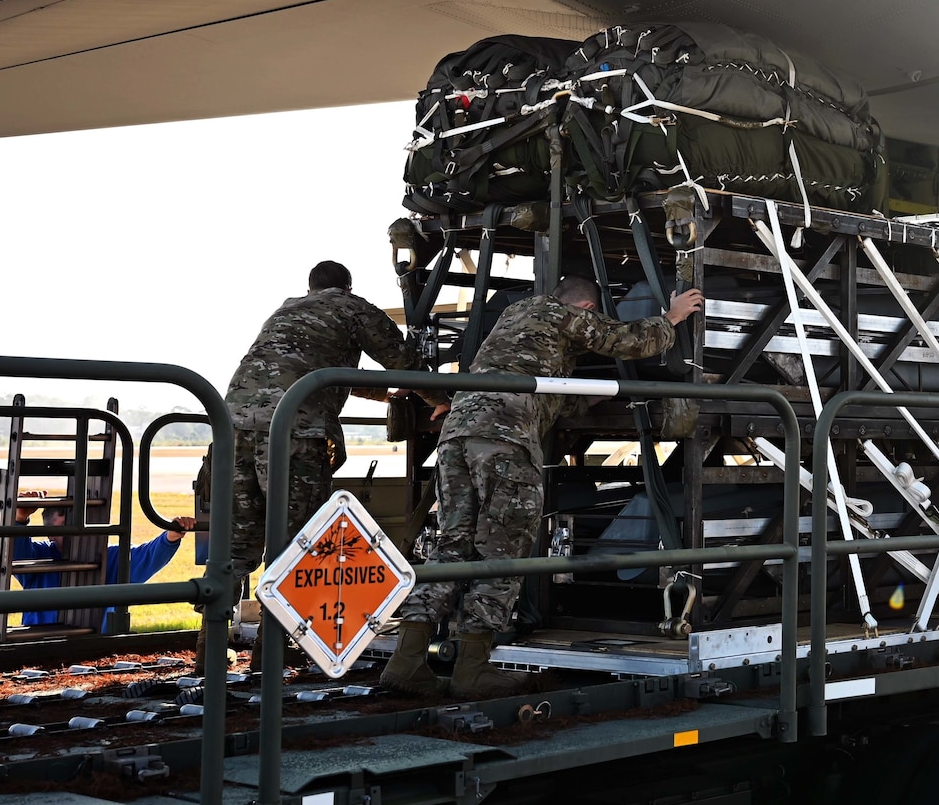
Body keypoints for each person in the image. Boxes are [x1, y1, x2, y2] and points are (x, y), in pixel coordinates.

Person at [382, 275, 704, 697]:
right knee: (502, 554)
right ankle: (472, 668)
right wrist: (671, 318)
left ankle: (405, 661)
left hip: (457, 436)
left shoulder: (514, 318)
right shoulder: (562, 314)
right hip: (504, 441)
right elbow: (624, 340)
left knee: (452, 547)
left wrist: (585, 399)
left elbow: (539, 391)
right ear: (585, 308)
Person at [223, 261, 426, 595]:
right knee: (298, 543)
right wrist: (437, 398)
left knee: (235, 543)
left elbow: (312, 366)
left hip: (232, 427)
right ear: (348, 288)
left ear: (309, 289)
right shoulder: (351, 307)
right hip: (295, 430)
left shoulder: (286, 310)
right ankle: (277, 645)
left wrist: (382, 394)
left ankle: (211, 639)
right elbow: (403, 360)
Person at [10, 508, 196, 627]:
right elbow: (15, 554)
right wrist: (20, 517)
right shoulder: (39, 556)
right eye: (65, 527)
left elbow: (146, 556)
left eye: (80, 526)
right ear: (50, 534)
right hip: (40, 648)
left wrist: (171, 536)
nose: (74, 534)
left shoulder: (108, 558)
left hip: (94, 649)